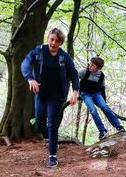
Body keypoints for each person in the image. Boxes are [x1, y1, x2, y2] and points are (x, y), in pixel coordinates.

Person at [21, 28, 79, 168]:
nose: (53, 43)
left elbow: (74, 74)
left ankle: (52, 155)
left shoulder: (64, 57)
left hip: (57, 95)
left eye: (57, 41)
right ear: (48, 38)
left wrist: (75, 92)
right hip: (41, 94)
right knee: (40, 122)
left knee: (52, 122)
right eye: (52, 39)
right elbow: (25, 64)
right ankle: (49, 138)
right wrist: (30, 79)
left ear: (61, 43)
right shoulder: (38, 51)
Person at [79, 56, 125, 140]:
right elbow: (74, 78)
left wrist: (104, 101)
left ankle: (118, 126)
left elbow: (102, 88)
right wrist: (76, 92)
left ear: (98, 68)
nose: (90, 66)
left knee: (105, 107)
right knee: (93, 110)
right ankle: (102, 131)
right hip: (86, 94)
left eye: (93, 65)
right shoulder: (84, 72)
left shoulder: (101, 75)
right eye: (90, 64)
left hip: (96, 93)